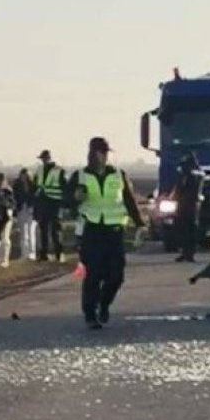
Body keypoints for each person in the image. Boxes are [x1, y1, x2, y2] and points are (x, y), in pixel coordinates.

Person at [68, 137, 145, 330]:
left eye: (106, 153)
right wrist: (75, 198)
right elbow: (66, 202)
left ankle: (104, 303)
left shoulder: (118, 175)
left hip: (114, 230)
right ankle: (90, 314)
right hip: (92, 230)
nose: (104, 156)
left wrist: (140, 223)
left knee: (116, 275)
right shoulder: (80, 176)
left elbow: (129, 200)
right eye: (101, 152)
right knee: (93, 274)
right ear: (92, 154)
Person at [34, 149, 66, 262]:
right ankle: (44, 254)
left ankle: (59, 253)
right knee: (43, 229)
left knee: (55, 229)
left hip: (55, 203)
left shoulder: (59, 170)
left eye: (45, 158)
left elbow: (64, 187)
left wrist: (64, 203)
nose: (43, 161)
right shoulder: (39, 170)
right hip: (43, 202)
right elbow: (36, 185)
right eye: (42, 159)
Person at [172, 153, 204, 262]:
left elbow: (184, 191)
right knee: (183, 231)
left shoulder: (192, 177)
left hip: (189, 207)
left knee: (189, 231)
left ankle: (189, 254)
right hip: (185, 207)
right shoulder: (188, 176)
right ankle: (185, 253)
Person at [0, 173, 15, 267]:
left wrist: (6, 206)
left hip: (6, 216)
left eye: (2, 181)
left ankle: (5, 259)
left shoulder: (8, 192)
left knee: (5, 237)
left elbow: (12, 204)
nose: (0, 183)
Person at [13, 168, 38, 260]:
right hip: (21, 209)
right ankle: (24, 253)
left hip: (31, 210)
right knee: (23, 232)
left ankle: (32, 253)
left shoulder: (33, 185)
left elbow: (35, 197)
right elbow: (15, 197)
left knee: (31, 231)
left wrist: (32, 207)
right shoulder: (17, 185)